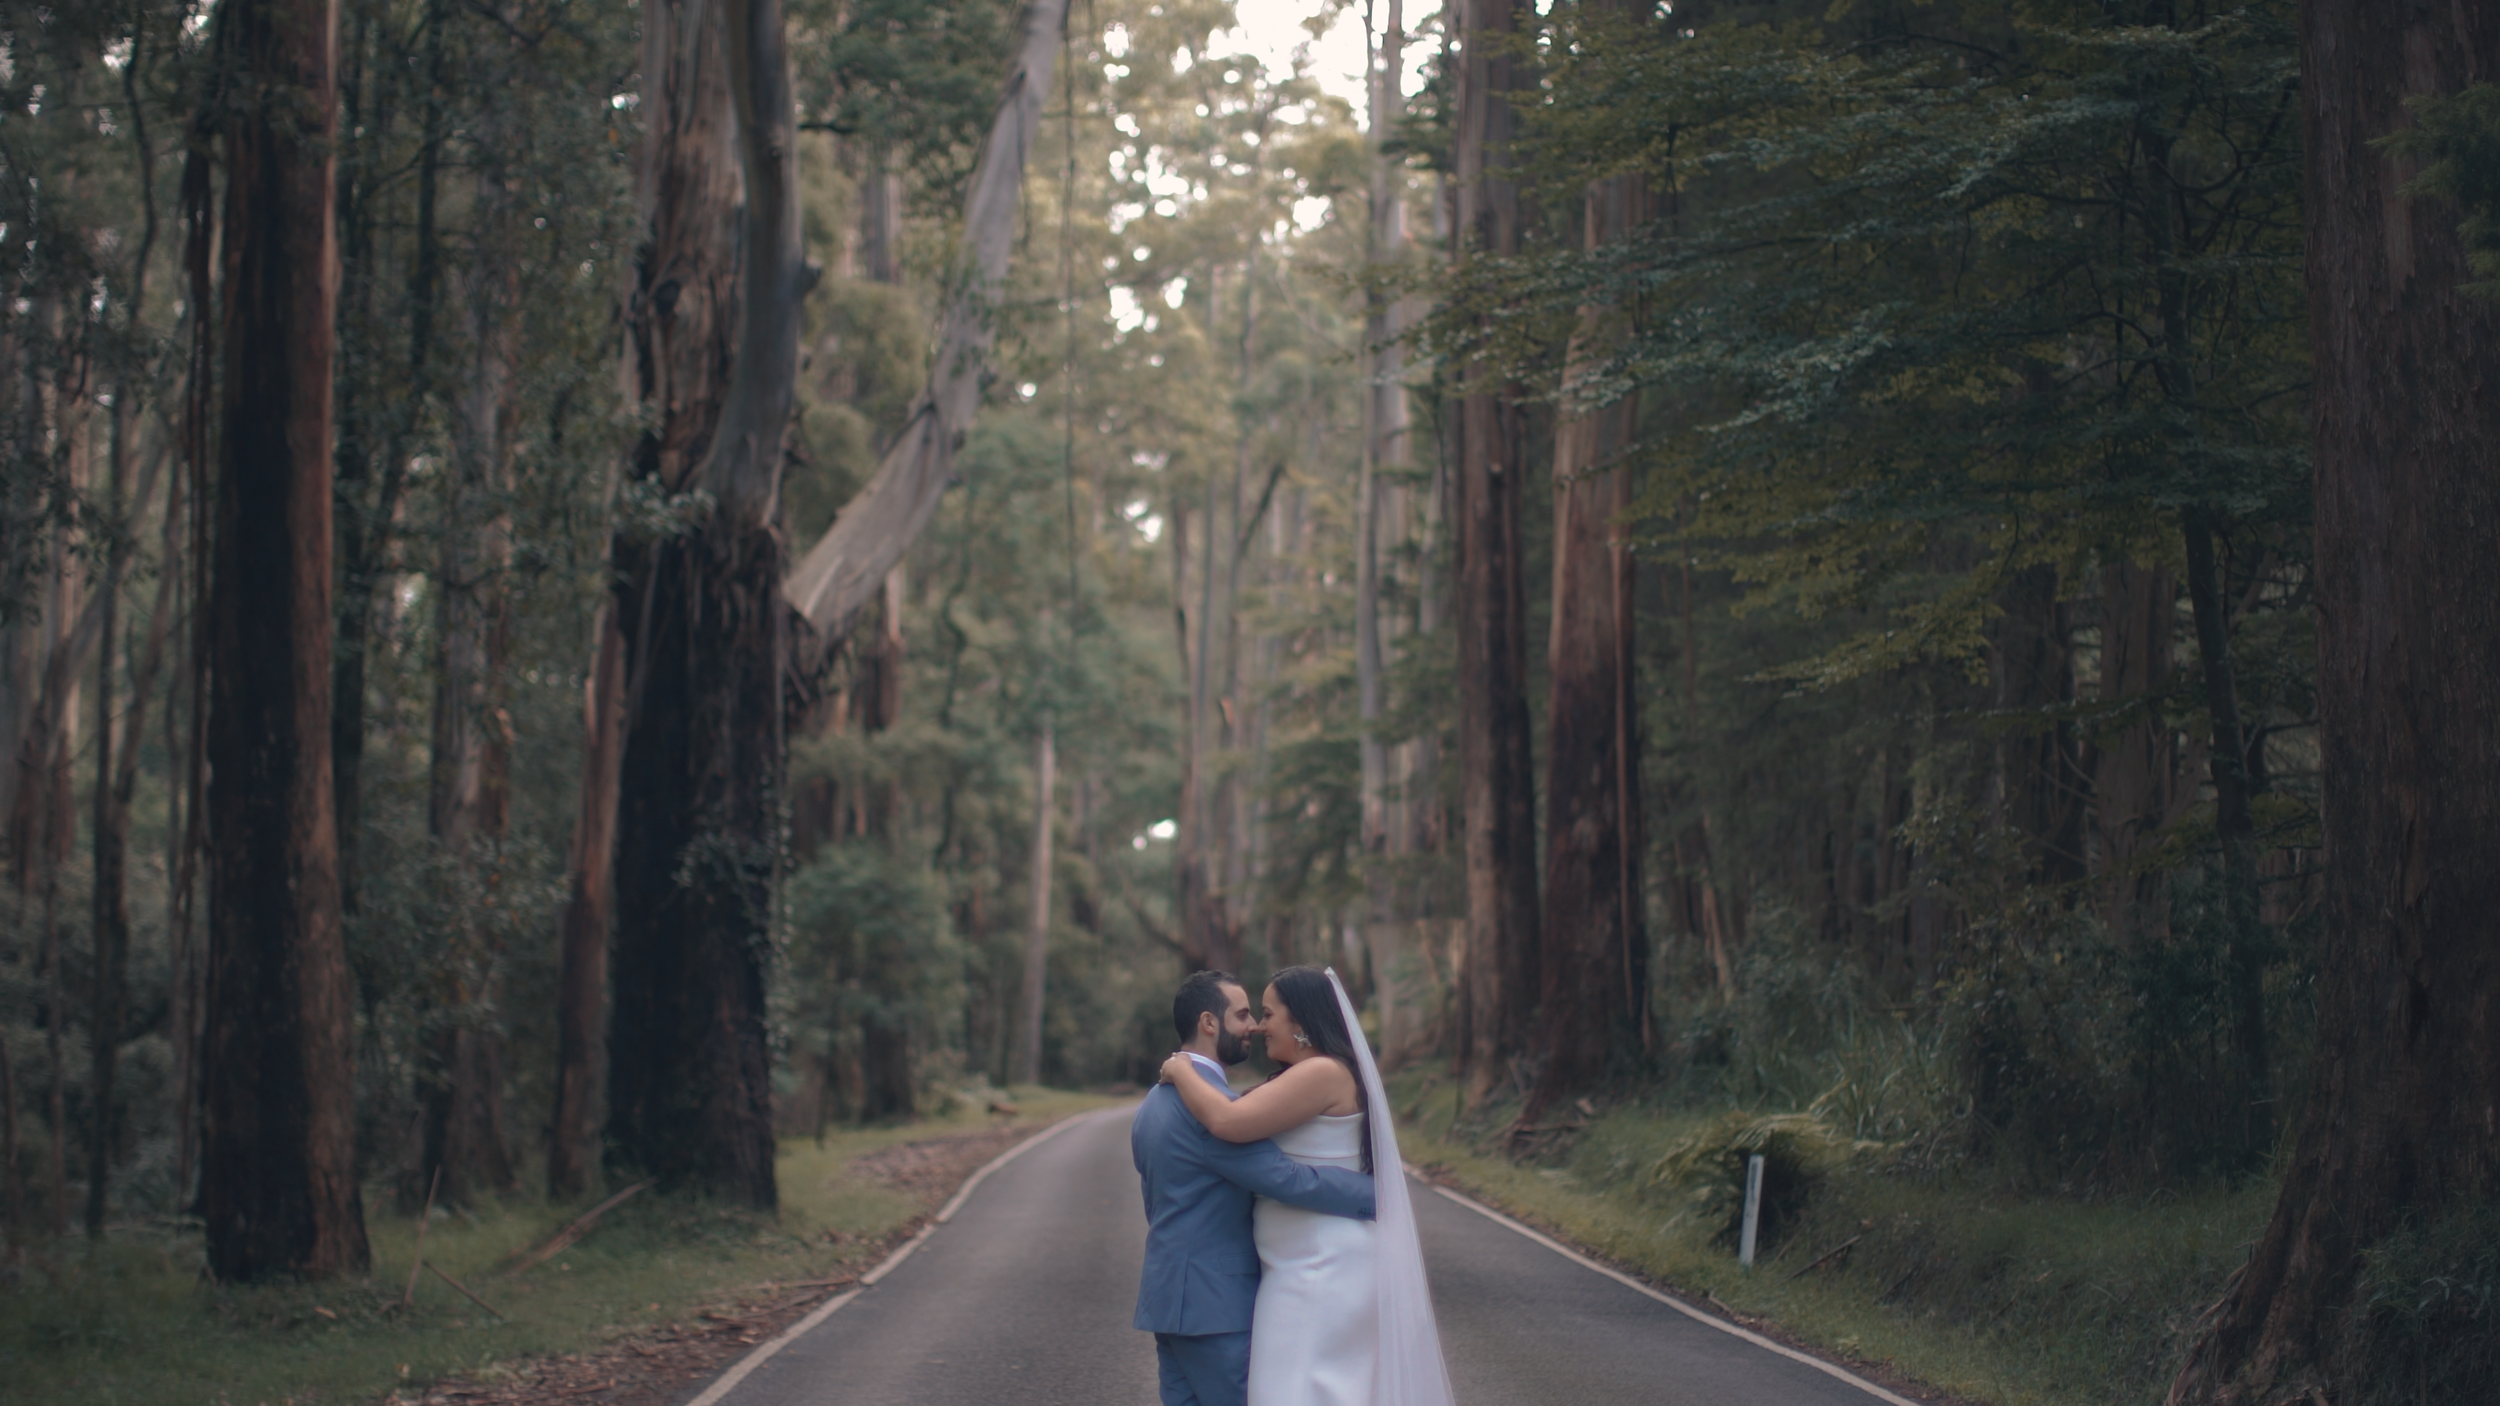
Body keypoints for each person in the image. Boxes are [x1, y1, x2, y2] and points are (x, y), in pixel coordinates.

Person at [1157, 965, 1456, 1406]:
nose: (1259, 1027)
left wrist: (1181, 1071)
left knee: (1294, 1393)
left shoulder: (1322, 1072)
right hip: (1301, 1264)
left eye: (1268, 1013)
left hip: (1321, 1267)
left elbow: (1226, 1120)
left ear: (1300, 1021)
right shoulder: (1308, 1074)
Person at [1134, 970, 1378, 1406]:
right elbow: (1282, 1177)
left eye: (1262, 1014)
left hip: (1168, 1299)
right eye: (1245, 1014)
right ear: (1210, 1023)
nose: (1254, 1026)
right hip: (1214, 1307)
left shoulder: (1154, 1101)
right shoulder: (1208, 1111)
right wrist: (1376, 1195)